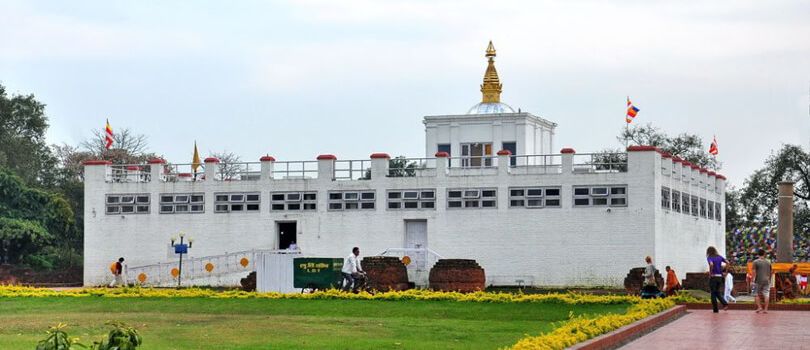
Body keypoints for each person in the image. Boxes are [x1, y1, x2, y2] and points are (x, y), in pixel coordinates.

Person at [706, 246, 728, 313]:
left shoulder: (709, 257)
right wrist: (726, 272)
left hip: (714, 277)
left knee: (713, 293)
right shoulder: (719, 257)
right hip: (720, 277)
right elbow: (728, 262)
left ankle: (715, 310)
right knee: (717, 292)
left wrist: (710, 273)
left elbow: (711, 264)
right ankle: (725, 304)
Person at [752, 249, 772, 314]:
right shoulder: (768, 262)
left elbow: (754, 271)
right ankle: (765, 309)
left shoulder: (755, 262)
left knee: (756, 294)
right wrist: (769, 279)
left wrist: (752, 280)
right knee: (766, 294)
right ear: (764, 254)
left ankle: (759, 307)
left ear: (758, 254)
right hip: (767, 280)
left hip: (758, 280)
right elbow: (771, 271)